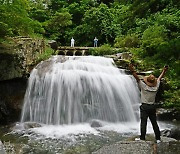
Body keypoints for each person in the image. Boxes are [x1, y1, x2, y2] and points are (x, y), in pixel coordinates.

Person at [129, 64, 168, 143]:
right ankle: (158, 139)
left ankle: (142, 138)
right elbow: (160, 78)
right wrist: (164, 71)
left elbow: (137, 78)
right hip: (152, 107)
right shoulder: (156, 87)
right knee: (154, 123)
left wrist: (132, 69)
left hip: (144, 107)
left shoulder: (143, 86)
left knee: (143, 123)